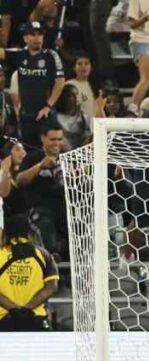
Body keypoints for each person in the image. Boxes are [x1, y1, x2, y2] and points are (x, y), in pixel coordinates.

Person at [11, 122, 65, 258]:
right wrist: (40, 166)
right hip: (39, 208)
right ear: (43, 138)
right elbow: (19, 181)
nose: (57, 143)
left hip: (64, 209)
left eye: (60, 139)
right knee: (46, 229)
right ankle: (49, 262)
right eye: (53, 139)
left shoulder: (68, 157)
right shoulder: (33, 157)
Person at [0, 214, 58, 331]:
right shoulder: (44, 254)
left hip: (4, 320)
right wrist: (28, 308)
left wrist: (14, 309)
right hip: (36, 318)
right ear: (28, 232)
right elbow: (52, 287)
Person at [10, 21, 64, 146]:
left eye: (39, 35)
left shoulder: (50, 55)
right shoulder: (20, 55)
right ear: (25, 38)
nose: (36, 38)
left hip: (44, 115)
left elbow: (60, 82)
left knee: (46, 152)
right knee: (26, 152)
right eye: (32, 35)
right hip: (25, 116)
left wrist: (48, 106)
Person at [54, 84, 91, 150]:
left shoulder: (84, 118)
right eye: (71, 95)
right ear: (64, 98)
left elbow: (87, 137)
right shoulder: (55, 118)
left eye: (76, 94)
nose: (76, 97)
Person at [67, 53, 97, 119]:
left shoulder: (96, 85)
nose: (83, 66)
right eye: (79, 64)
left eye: (86, 64)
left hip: (96, 124)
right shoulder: (69, 85)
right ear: (74, 68)